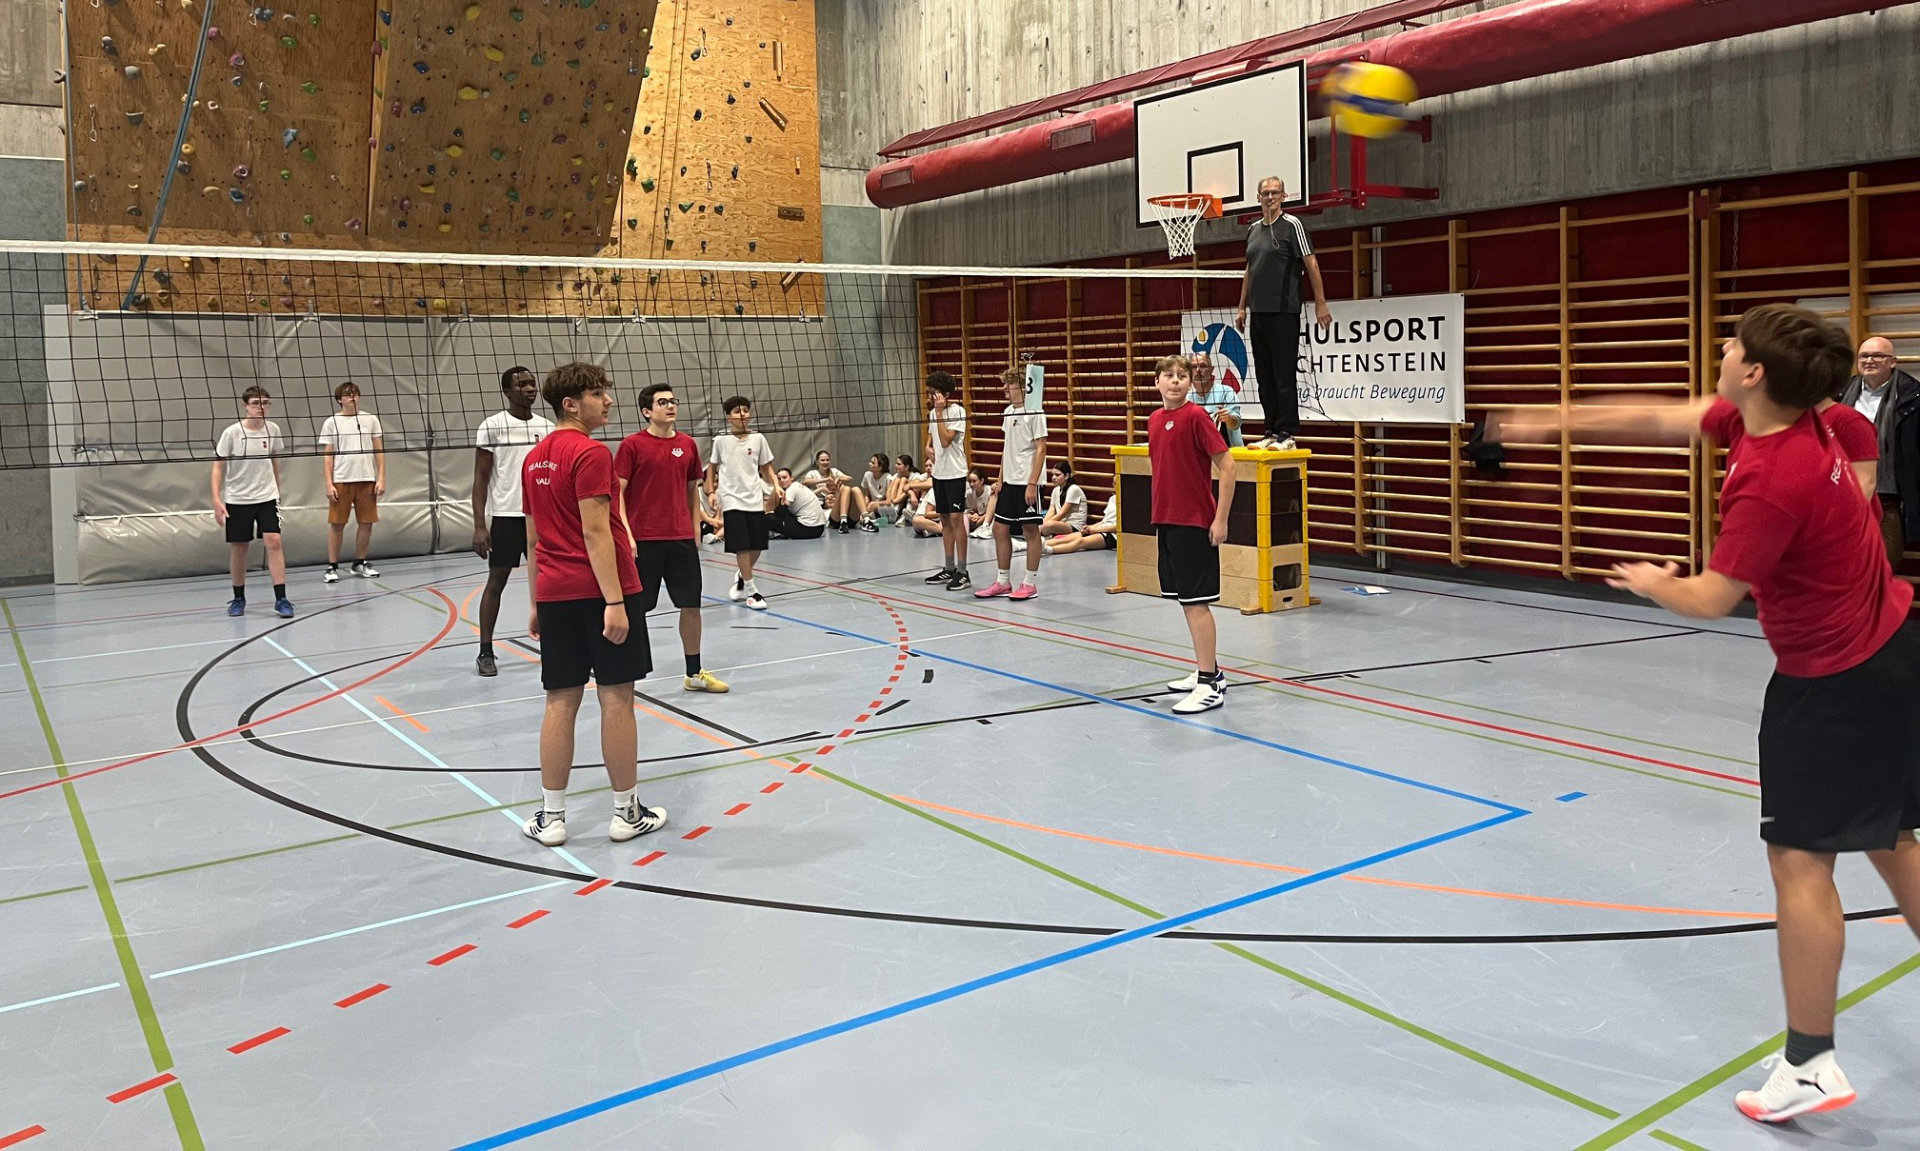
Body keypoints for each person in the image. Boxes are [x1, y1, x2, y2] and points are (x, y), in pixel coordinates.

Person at [1488, 304, 1920, 1127]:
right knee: (1893, 837)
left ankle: (1809, 1061)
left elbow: (1715, 596)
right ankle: (1811, 1054)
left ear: (1754, 372)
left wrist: (1654, 579)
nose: (1720, 351)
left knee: (1801, 863)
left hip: (1835, 682)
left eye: (1733, 346)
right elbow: (1657, 415)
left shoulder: (1774, 474)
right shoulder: (1790, 421)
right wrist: (1550, 420)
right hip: (1893, 652)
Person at [519, 362, 667, 847]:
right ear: (570, 403)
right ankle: (626, 813)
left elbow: (533, 536)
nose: (607, 400)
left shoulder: (534, 457)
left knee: (559, 701)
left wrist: (537, 597)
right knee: (616, 698)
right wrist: (615, 602)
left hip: (556, 593)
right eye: (598, 393)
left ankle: (551, 816)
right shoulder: (591, 453)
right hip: (602, 593)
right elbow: (596, 531)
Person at [614, 382, 728, 694]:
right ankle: (626, 674)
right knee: (637, 608)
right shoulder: (632, 446)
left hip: (680, 540)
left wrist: (694, 530)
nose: (670, 406)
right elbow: (617, 493)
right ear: (647, 411)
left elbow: (693, 490)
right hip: (644, 540)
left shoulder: (688, 445)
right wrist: (626, 534)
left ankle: (694, 673)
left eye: (672, 401)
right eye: (662, 402)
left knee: (691, 605)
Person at [1148, 355, 1236, 713]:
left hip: (1194, 523)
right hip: (1166, 521)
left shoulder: (1197, 417)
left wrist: (1220, 519)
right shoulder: (1155, 420)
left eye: (1181, 376)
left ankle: (1207, 685)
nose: (1175, 381)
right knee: (1186, 601)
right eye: (1168, 376)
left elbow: (1228, 466)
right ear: (1157, 383)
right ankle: (1210, 673)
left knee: (1197, 604)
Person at [1233, 176, 1332, 450]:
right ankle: (1270, 429)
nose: (1270, 197)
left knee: (1283, 374)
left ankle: (1287, 432)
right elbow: (1249, 270)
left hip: (1284, 311)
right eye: (1265, 193)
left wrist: (1320, 302)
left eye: (1275, 192)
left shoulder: (1292, 226)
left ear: (1284, 196)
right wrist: (1242, 307)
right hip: (1259, 313)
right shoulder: (1253, 230)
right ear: (1258, 197)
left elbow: (1311, 263)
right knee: (1263, 375)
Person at [472, 366, 555, 677]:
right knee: (496, 583)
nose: (530, 388)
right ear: (507, 391)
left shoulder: (548, 427)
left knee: (549, 583)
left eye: (532, 383)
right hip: (507, 516)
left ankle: (554, 645)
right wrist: (480, 525)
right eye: (522, 384)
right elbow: (480, 478)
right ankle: (485, 651)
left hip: (542, 518)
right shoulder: (492, 426)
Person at [212, 386, 293, 618]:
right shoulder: (232, 433)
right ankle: (238, 598)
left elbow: (274, 459)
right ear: (245, 405)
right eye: (256, 403)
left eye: (265, 403)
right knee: (240, 547)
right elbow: (218, 466)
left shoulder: (273, 429)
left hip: (266, 497)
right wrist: (217, 499)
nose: (261, 407)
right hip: (237, 499)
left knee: (274, 541)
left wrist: (277, 490)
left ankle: (282, 599)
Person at [1838, 336, 1918, 564]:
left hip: (1887, 498)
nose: (1870, 360)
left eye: (1878, 356)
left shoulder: (1913, 396)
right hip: (1843, 495)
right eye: (1864, 356)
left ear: (1892, 362)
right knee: (1839, 567)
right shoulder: (1840, 393)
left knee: (1881, 567)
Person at [975, 366, 1048, 601]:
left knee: (1030, 530)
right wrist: (999, 479)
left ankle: (1029, 583)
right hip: (1009, 481)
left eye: (1009, 384)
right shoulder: (1008, 412)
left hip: (1028, 482)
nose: (1004, 388)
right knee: (999, 528)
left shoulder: (1035, 411)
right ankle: (1003, 581)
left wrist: (1032, 483)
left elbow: (1041, 448)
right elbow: (1008, 447)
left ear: (1022, 386)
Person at [706, 395, 778, 611]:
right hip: (731, 499)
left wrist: (777, 485)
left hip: (754, 498)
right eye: (737, 411)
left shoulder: (758, 439)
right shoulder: (721, 441)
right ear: (729, 416)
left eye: (745, 410)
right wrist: (711, 491)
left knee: (757, 546)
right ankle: (752, 591)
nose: (743, 415)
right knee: (742, 547)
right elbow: (711, 467)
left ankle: (741, 574)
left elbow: (766, 467)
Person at [317, 382, 385, 583]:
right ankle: (332, 566)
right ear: (340, 400)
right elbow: (328, 456)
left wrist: (381, 477)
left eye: (355, 394)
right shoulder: (331, 422)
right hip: (341, 479)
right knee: (337, 524)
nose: (352, 397)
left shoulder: (370, 419)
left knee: (366, 522)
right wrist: (329, 483)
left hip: (366, 479)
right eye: (347, 395)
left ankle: (360, 562)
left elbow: (379, 451)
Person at [923, 373, 972, 589]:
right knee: (944, 520)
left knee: (956, 519)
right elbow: (932, 439)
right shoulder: (934, 413)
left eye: (933, 393)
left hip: (955, 473)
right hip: (939, 473)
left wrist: (940, 412)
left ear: (944, 394)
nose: (930, 396)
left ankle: (963, 572)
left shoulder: (957, 411)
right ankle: (949, 567)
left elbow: (944, 440)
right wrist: (926, 446)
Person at [802, 449, 874, 533]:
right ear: (817, 462)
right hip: (833, 514)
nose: (825, 462)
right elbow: (805, 481)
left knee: (854, 489)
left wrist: (838, 478)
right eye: (822, 460)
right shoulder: (813, 473)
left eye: (827, 460)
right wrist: (824, 482)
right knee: (845, 489)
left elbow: (849, 478)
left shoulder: (834, 472)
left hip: (847, 512)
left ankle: (866, 519)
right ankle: (843, 521)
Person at [1187, 351, 1244, 448]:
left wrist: (1228, 419)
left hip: (1230, 451)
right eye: (1194, 367)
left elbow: (1236, 423)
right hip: (1201, 454)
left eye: (1203, 366)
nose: (1198, 370)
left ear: (1211, 369)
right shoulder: (1187, 398)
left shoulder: (1226, 392)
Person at [1044, 493, 1119, 555]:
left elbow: (1119, 527)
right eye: (1114, 483)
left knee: (1080, 541)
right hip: (1101, 528)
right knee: (1065, 538)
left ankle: (1048, 550)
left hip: (1113, 535)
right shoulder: (1112, 498)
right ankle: (1039, 545)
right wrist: (1090, 527)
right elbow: (1105, 520)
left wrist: (1095, 530)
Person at [770, 468, 829, 539]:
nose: (782, 480)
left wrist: (776, 489)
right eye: (779, 479)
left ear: (792, 478)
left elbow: (781, 511)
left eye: (784, 478)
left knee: (769, 517)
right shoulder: (797, 486)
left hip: (808, 529)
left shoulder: (791, 489)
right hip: (819, 530)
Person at [1039, 461, 1089, 538]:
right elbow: (1051, 510)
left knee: (1049, 525)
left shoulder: (1074, 489)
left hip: (1074, 526)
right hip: (1062, 523)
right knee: (1038, 524)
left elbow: (1062, 513)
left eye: (1057, 475)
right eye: (1053, 475)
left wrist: (1044, 525)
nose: (1053, 477)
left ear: (1066, 476)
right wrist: (1042, 523)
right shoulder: (1056, 490)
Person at [860, 453, 895, 525]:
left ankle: (875, 517)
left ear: (880, 467)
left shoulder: (888, 477)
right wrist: (865, 508)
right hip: (871, 504)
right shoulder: (867, 475)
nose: (869, 464)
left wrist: (876, 504)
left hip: (882, 504)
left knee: (889, 507)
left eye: (873, 463)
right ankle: (871, 518)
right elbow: (866, 494)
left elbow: (888, 500)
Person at [965, 468, 994, 538]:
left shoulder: (990, 492)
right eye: (970, 481)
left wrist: (979, 522)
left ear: (982, 481)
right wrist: (973, 515)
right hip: (979, 518)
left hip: (990, 518)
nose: (971, 484)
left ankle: (985, 529)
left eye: (974, 481)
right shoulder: (969, 494)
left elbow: (991, 512)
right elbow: (974, 509)